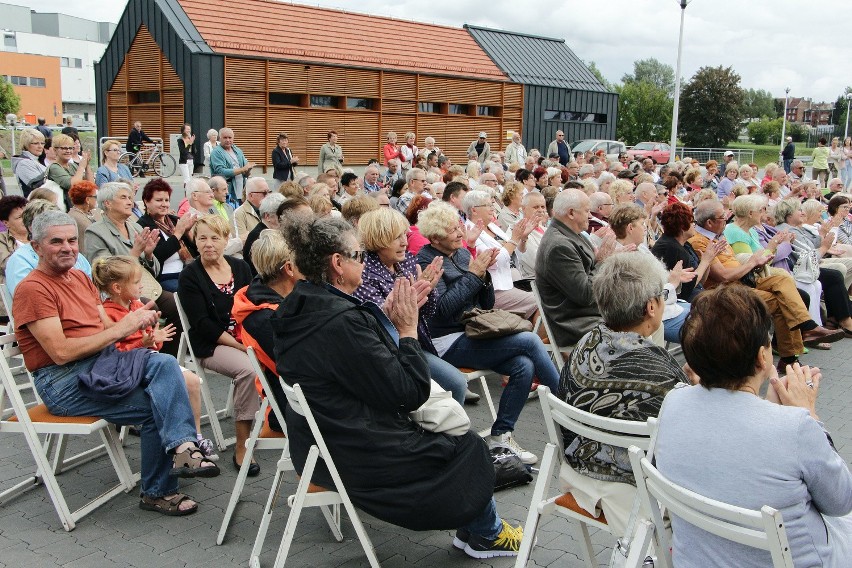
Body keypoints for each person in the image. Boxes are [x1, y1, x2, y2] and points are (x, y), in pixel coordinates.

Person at [273, 216, 525, 558]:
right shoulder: (340, 320)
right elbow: (408, 392)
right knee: (466, 446)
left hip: (317, 442)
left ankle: (479, 531)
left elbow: (357, 364)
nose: (363, 263)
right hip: (354, 450)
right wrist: (406, 329)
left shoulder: (297, 304)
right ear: (337, 263)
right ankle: (486, 534)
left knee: (453, 429)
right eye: (359, 256)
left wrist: (388, 321)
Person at [13, 211, 218, 517]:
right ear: (36, 246)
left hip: (103, 365)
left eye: (72, 240)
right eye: (56, 241)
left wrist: (135, 326)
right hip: (65, 382)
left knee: (163, 363)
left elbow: (103, 325)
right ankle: (159, 489)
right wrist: (125, 328)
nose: (68, 247)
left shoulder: (79, 276)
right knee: (156, 405)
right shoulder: (34, 289)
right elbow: (61, 353)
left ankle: (183, 448)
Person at [655, 284, 852, 568]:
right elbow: (841, 500)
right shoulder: (796, 427)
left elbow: (735, 442)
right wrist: (809, 414)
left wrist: (771, 410)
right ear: (762, 357)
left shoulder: (673, 403)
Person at [417, 201, 560, 464]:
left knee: (522, 365)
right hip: (445, 341)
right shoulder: (426, 260)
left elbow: (486, 304)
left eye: (459, 227)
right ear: (435, 238)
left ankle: (501, 436)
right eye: (452, 230)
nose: (461, 233)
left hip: (471, 330)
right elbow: (443, 311)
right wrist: (474, 275)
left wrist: (484, 278)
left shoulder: (461, 254)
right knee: (528, 340)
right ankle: (567, 402)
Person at [559, 252, 690, 536]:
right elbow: (693, 434)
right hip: (634, 492)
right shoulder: (658, 366)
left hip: (576, 470)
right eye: (662, 295)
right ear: (651, 306)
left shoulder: (586, 341)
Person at [688, 199, 843, 371]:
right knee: (778, 302)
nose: (726, 220)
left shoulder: (719, 234)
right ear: (710, 222)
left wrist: (759, 260)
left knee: (783, 280)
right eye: (723, 218)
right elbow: (723, 276)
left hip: (743, 279)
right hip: (725, 290)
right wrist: (753, 262)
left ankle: (807, 326)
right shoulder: (701, 241)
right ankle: (790, 358)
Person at [91, 255, 217, 461]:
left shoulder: (136, 306)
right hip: (128, 368)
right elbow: (115, 351)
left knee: (193, 382)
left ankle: (194, 437)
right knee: (181, 383)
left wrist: (154, 340)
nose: (141, 286)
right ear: (117, 288)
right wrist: (144, 343)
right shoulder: (108, 314)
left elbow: (152, 346)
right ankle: (182, 445)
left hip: (149, 360)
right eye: (136, 282)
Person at [353, 207, 471, 404]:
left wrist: (428, 290)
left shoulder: (407, 260)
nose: (404, 243)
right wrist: (415, 295)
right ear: (377, 239)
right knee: (455, 384)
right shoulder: (365, 272)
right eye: (396, 238)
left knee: (456, 384)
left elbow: (428, 313)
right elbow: (383, 323)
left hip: (417, 343)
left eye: (404, 236)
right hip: (388, 352)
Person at [176, 214, 258, 474]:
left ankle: (274, 422)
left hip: (246, 338)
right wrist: (240, 345)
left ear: (226, 240)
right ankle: (243, 444)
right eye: (202, 238)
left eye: (215, 237)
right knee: (250, 369)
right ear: (195, 243)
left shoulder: (242, 267)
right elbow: (203, 325)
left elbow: (253, 306)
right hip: (213, 343)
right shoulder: (191, 275)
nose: (208, 244)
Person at [231, 229, 300, 433]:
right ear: (289, 268)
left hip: (292, 396)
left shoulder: (258, 297)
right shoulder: (267, 319)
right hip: (295, 406)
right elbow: (302, 368)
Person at [535, 189, 616, 348]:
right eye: (586, 210)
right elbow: (585, 294)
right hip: (576, 323)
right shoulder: (559, 246)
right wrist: (603, 261)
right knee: (641, 322)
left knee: (647, 314)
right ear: (571, 213)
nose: (590, 215)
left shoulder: (570, 234)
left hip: (588, 314)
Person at [608, 204, 694, 344]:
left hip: (667, 306)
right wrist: (672, 283)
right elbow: (643, 299)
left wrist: (672, 276)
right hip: (652, 316)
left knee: (708, 311)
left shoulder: (641, 248)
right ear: (630, 228)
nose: (645, 229)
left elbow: (655, 278)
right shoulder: (622, 258)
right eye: (642, 224)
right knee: (709, 325)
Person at [463, 190, 538, 320]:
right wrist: (515, 238)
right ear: (474, 210)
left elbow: (517, 252)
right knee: (540, 302)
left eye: (492, 204)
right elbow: (494, 261)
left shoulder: (492, 226)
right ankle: (540, 339)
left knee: (546, 296)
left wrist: (523, 238)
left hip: (514, 280)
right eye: (488, 205)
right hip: (495, 289)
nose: (493, 208)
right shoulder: (470, 231)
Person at [6, 200, 92, 295]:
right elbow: (27, 297)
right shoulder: (20, 259)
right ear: (32, 227)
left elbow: (93, 291)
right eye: (49, 222)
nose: (67, 248)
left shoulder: (75, 255)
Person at [652, 201, 724, 301]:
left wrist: (707, 262)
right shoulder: (671, 248)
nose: (694, 226)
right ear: (682, 226)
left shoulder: (684, 244)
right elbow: (688, 287)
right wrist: (705, 261)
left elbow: (699, 282)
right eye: (692, 222)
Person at [136, 178, 198, 293]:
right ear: (146, 201)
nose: (164, 204)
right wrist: (178, 234)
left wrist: (187, 233)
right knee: (191, 292)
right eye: (159, 200)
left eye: (167, 200)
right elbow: (156, 257)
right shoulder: (143, 225)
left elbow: (195, 253)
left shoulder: (174, 221)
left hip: (187, 272)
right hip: (165, 277)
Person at [0, 196, 29, 320]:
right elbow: (5, 264)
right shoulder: (2, 239)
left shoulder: (38, 236)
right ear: (5, 222)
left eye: (26, 215)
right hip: (14, 294)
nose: (24, 219)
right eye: (18, 217)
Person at [242, 193, 285, 275]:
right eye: (280, 215)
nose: (284, 218)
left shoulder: (268, 231)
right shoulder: (260, 236)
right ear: (267, 216)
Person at [47, 133, 93, 209]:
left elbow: (90, 184)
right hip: (62, 207)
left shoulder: (73, 166)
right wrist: (81, 167)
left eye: (70, 148)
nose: (68, 151)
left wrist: (87, 165)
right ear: (55, 150)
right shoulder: (54, 167)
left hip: (76, 206)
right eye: (64, 148)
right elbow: (72, 185)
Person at [210, 128, 253, 203]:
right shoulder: (216, 152)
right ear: (220, 138)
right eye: (225, 137)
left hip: (241, 190)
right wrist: (243, 169)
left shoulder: (238, 151)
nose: (228, 140)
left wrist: (248, 169)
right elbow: (221, 172)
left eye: (230, 137)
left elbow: (245, 173)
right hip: (227, 190)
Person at [11, 128, 48, 197]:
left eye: (42, 143)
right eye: (36, 143)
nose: (40, 146)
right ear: (26, 145)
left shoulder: (38, 159)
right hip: (35, 204)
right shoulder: (23, 163)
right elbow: (38, 186)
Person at [66, 181, 102, 252]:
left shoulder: (93, 212)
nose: (97, 199)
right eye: (95, 197)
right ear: (87, 200)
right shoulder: (75, 218)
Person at [234, 177, 269, 242]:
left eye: (269, 192)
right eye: (264, 193)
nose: (268, 196)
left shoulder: (270, 211)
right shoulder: (239, 214)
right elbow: (239, 245)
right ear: (251, 196)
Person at [177, 124, 196, 188]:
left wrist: (192, 143)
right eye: (187, 129)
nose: (189, 130)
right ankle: (186, 194)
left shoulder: (190, 138)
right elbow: (183, 151)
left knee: (191, 179)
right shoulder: (180, 140)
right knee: (187, 179)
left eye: (189, 129)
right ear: (183, 130)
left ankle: (189, 194)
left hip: (191, 159)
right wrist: (190, 143)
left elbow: (194, 150)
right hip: (184, 161)